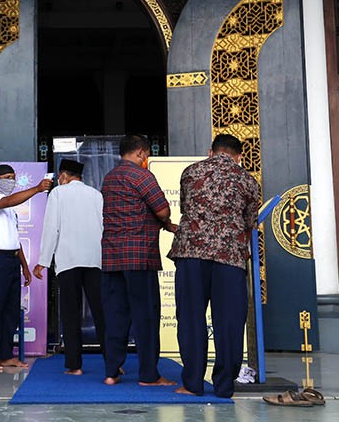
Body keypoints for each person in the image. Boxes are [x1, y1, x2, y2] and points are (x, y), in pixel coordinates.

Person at [168, 134, 260, 398]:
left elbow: (187, 206)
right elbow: (250, 222)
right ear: (239, 155)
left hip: (191, 253)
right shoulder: (248, 181)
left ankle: (193, 383)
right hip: (229, 257)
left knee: (190, 318)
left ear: (211, 152)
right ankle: (224, 385)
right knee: (230, 322)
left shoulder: (190, 172)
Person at [100, 134, 176, 386]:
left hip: (112, 256)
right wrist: (165, 222)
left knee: (115, 314)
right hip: (138, 256)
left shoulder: (109, 178)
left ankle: (111, 372)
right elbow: (162, 209)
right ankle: (148, 375)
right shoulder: (142, 176)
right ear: (142, 153)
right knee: (146, 315)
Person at [33, 159, 106, 375]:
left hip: (68, 261)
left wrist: (43, 261)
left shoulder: (58, 194)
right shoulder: (96, 194)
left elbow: (51, 228)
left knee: (70, 313)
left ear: (64, 175)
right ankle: (114, 363)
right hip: (95, 260)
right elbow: (104, 226)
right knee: (102, 313)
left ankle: (74, 366)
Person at [0, 164, 51, 371]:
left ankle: (5, 355)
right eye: (7, 177)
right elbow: (7, 200)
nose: (11, 181)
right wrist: (37, 189)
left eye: (13, 177)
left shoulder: (11, 210)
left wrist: (25, 267)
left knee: (10, 310)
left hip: (11, 261)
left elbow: (15, 240)